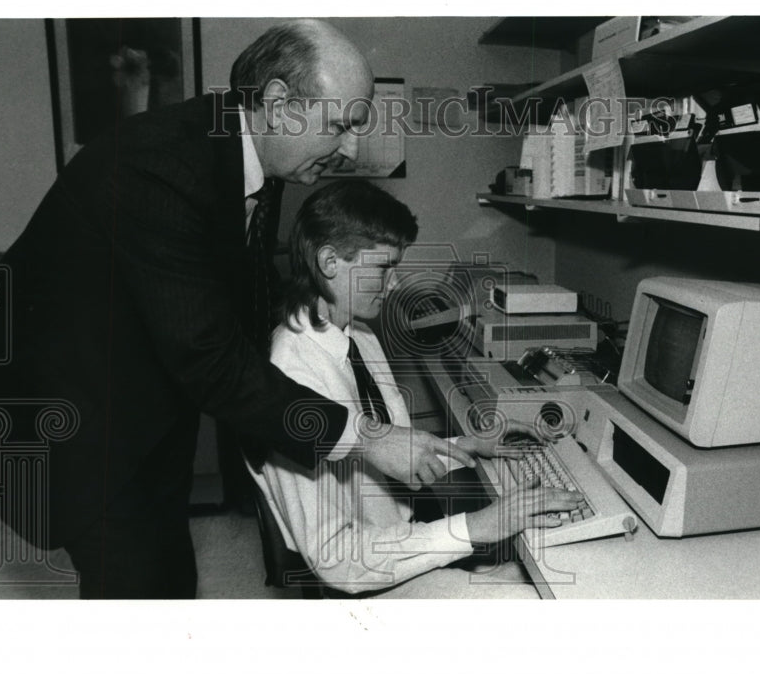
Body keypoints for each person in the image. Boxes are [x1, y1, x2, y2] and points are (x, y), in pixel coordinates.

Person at [0, 19, 473, 599]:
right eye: (340, 125)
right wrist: (369, 438)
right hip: (70, 424)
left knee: (172, 580)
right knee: (140, 593)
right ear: (279, 105)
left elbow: (240, 291)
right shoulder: (159, 169)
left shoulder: (255, 156)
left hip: (143, 397)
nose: (350, 148)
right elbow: (210, 358)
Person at [247, 180, 584, 595]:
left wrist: (466, 444)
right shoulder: (291, 379)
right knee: (545, 597)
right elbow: (338, 562)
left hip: (397, 539)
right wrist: (479, 526)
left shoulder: (359, 336)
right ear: (331, 262)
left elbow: (383, 453)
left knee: (536, 576)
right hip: (360, 579)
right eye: (384, 267)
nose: (393, 284)